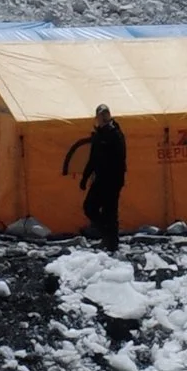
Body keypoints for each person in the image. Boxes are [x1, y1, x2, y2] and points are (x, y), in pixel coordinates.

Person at [74, 100, 129, 255]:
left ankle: (111, 243)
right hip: (100, 180)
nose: (102, 118)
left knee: (110, 211)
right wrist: (85, 177)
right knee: (90, 207)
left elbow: (119, 159)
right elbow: (93, 158)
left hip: (112, 181)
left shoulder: (115, 134)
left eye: (104, 115)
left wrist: (113, 178)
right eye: (100, 115)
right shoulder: (99, 134)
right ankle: (107, 234)